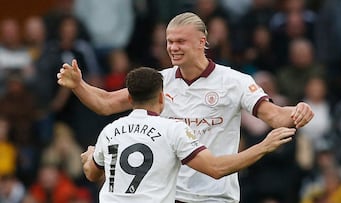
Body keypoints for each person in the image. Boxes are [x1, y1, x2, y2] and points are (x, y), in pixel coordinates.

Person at [57, 12, 314, 203]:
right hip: (173, 195)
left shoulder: (234, 82)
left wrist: (298, 111)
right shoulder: (160, 82)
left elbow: (276, 116)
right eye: (169, 41)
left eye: (180, 41)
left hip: (216, 195)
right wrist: (79, 85)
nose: (172, 47)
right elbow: (105, 104)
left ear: (202, 42)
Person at [80, 67, 296, 203]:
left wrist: (91, 155)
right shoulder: (172, 130)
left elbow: (91, 173)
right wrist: (264, 146)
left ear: (128, 100)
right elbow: (216, 168)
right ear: (163, 99)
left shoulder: (110, 132)